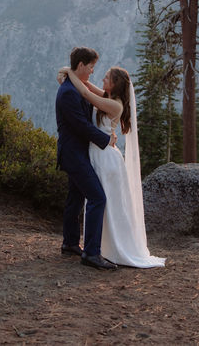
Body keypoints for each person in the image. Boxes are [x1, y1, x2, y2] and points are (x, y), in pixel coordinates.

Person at [58, 63, 165, 268]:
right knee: (87, 197)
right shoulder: (108, 97)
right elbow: (87, 86)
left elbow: (86, 94)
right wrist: (68, 72)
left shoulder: (115, 105)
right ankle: (80, 245)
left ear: (115, 84)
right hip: (96, 153)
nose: (102, 79)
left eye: (107, 77)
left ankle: (102, 249)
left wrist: (71, 72)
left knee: (103, 200)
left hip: (106, 158)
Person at [55, 46, 119, 270]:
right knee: (97, 198)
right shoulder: (68, 93)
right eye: (91, 67)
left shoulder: (73, 87)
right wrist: (106, 139)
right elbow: (80, 126)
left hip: (78, 153)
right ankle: (91, 253)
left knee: (76, 198)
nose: (93, 71)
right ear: (81, 65)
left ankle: (70, 243)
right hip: (74, 154)